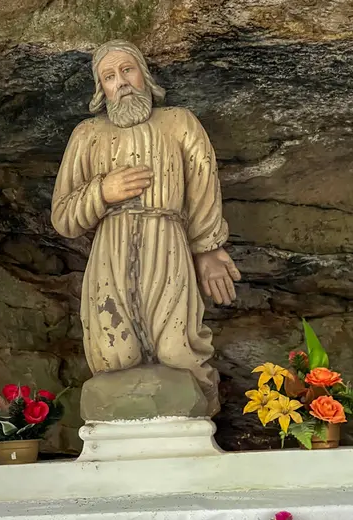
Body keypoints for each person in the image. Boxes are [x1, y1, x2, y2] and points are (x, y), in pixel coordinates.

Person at [51, 40, 240, 416]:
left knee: (177, 351)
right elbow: (63, 217)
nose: (120, 82)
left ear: (144, 75)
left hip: (167, 244)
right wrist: (102, 191)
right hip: (110, 252)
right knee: (114, 355)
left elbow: (203, 185)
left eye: (127, 70)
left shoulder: (178, 122)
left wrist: (208, 248)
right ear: (100, 89)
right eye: (109, 76)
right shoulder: (87, 135)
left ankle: (196, 412)